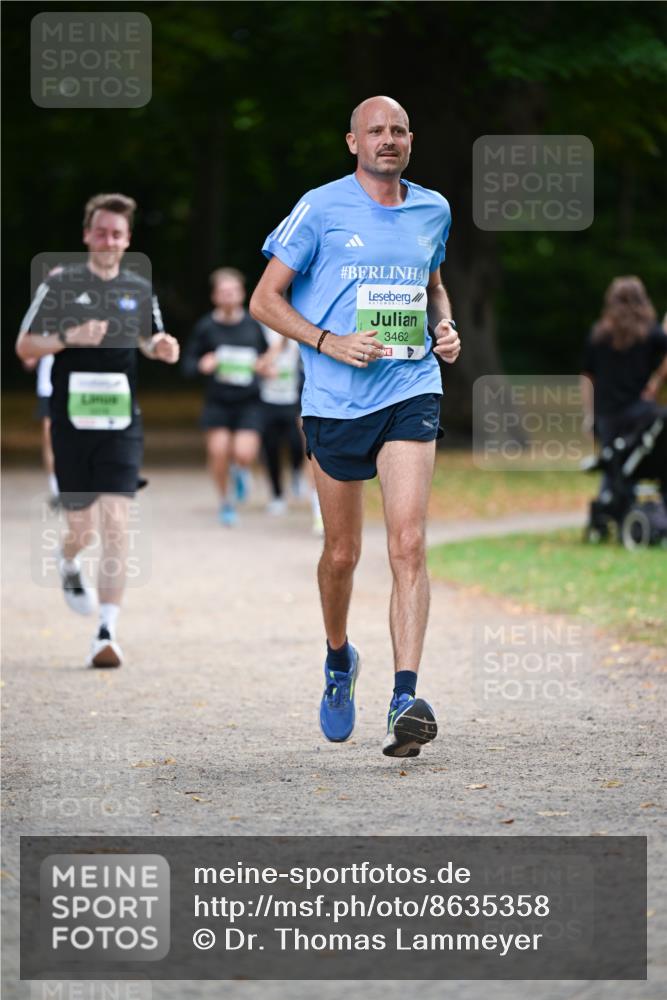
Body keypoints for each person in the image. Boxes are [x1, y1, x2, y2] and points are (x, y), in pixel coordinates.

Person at [250, 95, 460, 757]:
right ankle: (338, 658)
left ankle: (404, 698)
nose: (388, 139)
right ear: (352, 142)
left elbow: (431, 284)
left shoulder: (432, 209)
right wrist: (325, 340)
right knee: (342, 555)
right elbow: (264, 299)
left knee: (408, 542)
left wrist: (444, 326)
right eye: (376, 130)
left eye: (398, 129)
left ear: (410, 139)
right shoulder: (320, 208)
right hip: (335, 402)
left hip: (410, 388)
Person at [16, 192, 180, 668]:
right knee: (82, 529)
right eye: (101, 231)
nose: (109, 240)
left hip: (121, 422)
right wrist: (69, 337)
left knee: (116, 522)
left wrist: (162, 348)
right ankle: (67, 561)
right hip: (72, 423)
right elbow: (25, 346)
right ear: (87, 234)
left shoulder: (138, 288)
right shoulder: (61, 284)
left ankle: (106, 631)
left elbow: (151, 340)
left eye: (117, 233)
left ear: (128, 240)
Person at [181, 268, 271, 526]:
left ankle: (241, 470)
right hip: (218, 401)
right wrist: (202, 364)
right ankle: (225, 502)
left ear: (242, 294)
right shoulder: (206, 327)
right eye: (223, 292)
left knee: (243, 452)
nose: (229, 296)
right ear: (214, 296)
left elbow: (265, 359)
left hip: (249, 401)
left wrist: (265, 367)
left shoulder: (253, 325)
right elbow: (187, 365)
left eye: (233, 291)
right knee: (218, 451)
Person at [581, 276, 667, 502]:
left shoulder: (598, 334)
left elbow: (587, 378)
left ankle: (611, 510)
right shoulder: (650, 332)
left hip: (607, 415)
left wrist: (589, 417)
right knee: (641, 454)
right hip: (640, 413)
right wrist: (656, 381)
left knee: (614, 461)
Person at [259, 328, 307, 515]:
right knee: (271, 449)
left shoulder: (299, 332)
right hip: (266, 400)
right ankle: (277, 495)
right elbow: (257, 364)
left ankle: (296, 473)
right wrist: (277, 349)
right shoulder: (260, 331)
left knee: (297, 444)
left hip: (292, 400)